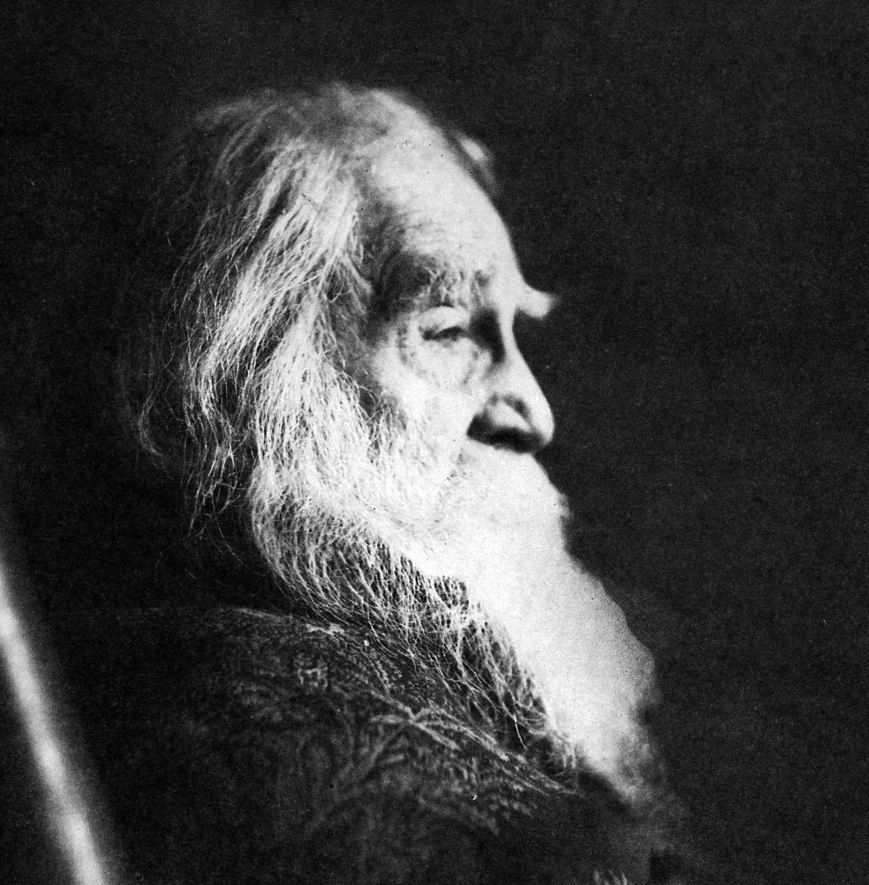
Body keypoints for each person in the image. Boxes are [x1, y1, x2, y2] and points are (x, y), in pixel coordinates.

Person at [79, 83, 706, 884]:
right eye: (447, 330)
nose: (533, 413)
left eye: (511, 333)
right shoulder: (279, 748)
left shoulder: (445, 675)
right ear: (260, 377)